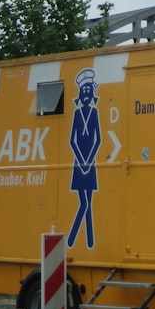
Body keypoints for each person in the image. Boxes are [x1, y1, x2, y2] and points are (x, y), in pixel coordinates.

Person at [69, 68, 101, 249]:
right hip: (79, 164)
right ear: (80, 93)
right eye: (84, 90)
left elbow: (98, 140)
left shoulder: (95, 113)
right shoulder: (76, 114)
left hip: (90, 163)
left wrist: (89, 160)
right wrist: (82, 160)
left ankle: (83, 240)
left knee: (88, 202)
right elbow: (72, 140)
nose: (87, 93)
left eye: (89, 90)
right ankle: (79, 239)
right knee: (85, 203)